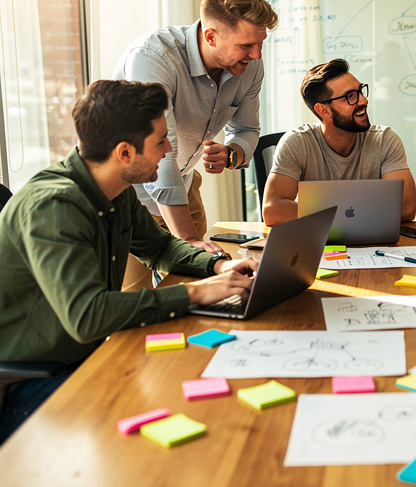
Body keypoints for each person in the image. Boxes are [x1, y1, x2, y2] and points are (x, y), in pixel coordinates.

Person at [0, 80, 257, 443]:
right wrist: (196, 295)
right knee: (172, 413)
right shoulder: (54, 207)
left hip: (83, 360)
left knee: (193, 387)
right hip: (27, 382)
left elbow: (161, 247)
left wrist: (218, 268)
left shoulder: (114, 190)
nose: (170, 150)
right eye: (160, 142)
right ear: (124, 152)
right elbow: (88, 316)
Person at [113, 0, 278, 251]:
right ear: (212, 36)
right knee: (134, 291)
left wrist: (232, 153)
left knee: (196, 284)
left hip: (184, 185)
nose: (257, 55)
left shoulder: (249, 67)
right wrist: (189, 242)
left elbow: (247, 130)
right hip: (129, 196)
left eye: (261, 43)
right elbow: (161, 154)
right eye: (247, 45)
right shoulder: (153, 59)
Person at [263, 58, 416, 225]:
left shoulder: (384, 139)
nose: (364, 101)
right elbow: (273, 210)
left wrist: (331, 214)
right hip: (318, 245)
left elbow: (406, 207)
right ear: (324, 111)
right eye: (350, 97)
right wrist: (349, 213)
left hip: (373, 245)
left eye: (360, 91)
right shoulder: (297, 143)